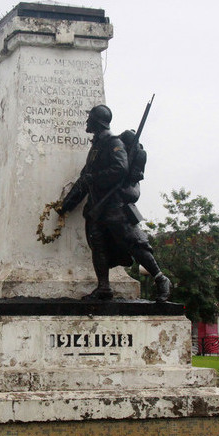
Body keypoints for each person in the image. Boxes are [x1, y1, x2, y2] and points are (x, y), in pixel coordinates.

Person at [58, 104, 171, 302]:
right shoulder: (97, 147)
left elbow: (120, 168)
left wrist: (95, 178)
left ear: (97, 122)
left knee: (135, 243)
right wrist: (67, 205)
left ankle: (161, 279)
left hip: (114, 205)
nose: (87, 122)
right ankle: (104, 287)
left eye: (90, 119)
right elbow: (85, 179)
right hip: (96, 207)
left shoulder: (112, 142)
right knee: (98, 245)